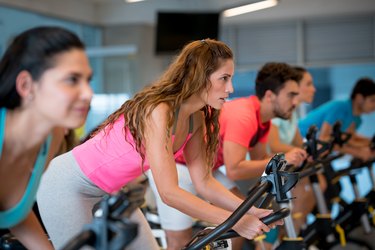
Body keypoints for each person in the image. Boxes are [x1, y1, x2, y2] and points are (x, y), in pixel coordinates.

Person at [37, 39, 281, 249]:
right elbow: (169, 193)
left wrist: (249, 210)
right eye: (224, 78)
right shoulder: (159, 110)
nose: (231, 88)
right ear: (199, 77)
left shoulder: (196, 116)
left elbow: (205, 182)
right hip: (67, 186)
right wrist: (234, 221)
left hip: (110, 195)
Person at [148, 62, 306, 250]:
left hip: (205, 168)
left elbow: (260, 161)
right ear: (270, 96)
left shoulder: (263, 122)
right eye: (291, 95)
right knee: (179, 243)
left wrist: (285, 159)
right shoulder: (244, 116)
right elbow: (235, 169)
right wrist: (283, 158)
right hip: (177, 167)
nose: (296, 102)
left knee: (242, 216)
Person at [0, 26, 93, 250]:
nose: (88, 93)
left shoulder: (49, 137)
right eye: (72, 80)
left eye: (88, 80)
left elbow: (15, 213)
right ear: (26, 85)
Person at [268, 66, 321, 233]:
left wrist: (310, 149)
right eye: (309, 84)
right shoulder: (279, 112)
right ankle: (291, 234)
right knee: (274, 217)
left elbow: (298, 142)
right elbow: (274, 145)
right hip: (266, 167)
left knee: (317, 184)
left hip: (283, 166)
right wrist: (301, 152)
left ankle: (294, 233)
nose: (314, 89)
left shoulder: (292, 113)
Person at [298, 77, 375, 161]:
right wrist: (358, 152)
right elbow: (324, 140)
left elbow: (348, 140)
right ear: (359, 98)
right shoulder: (340, 107)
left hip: (309, 146)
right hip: (299, 138)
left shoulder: (357, 120)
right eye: (372, 100)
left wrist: (369, 144)